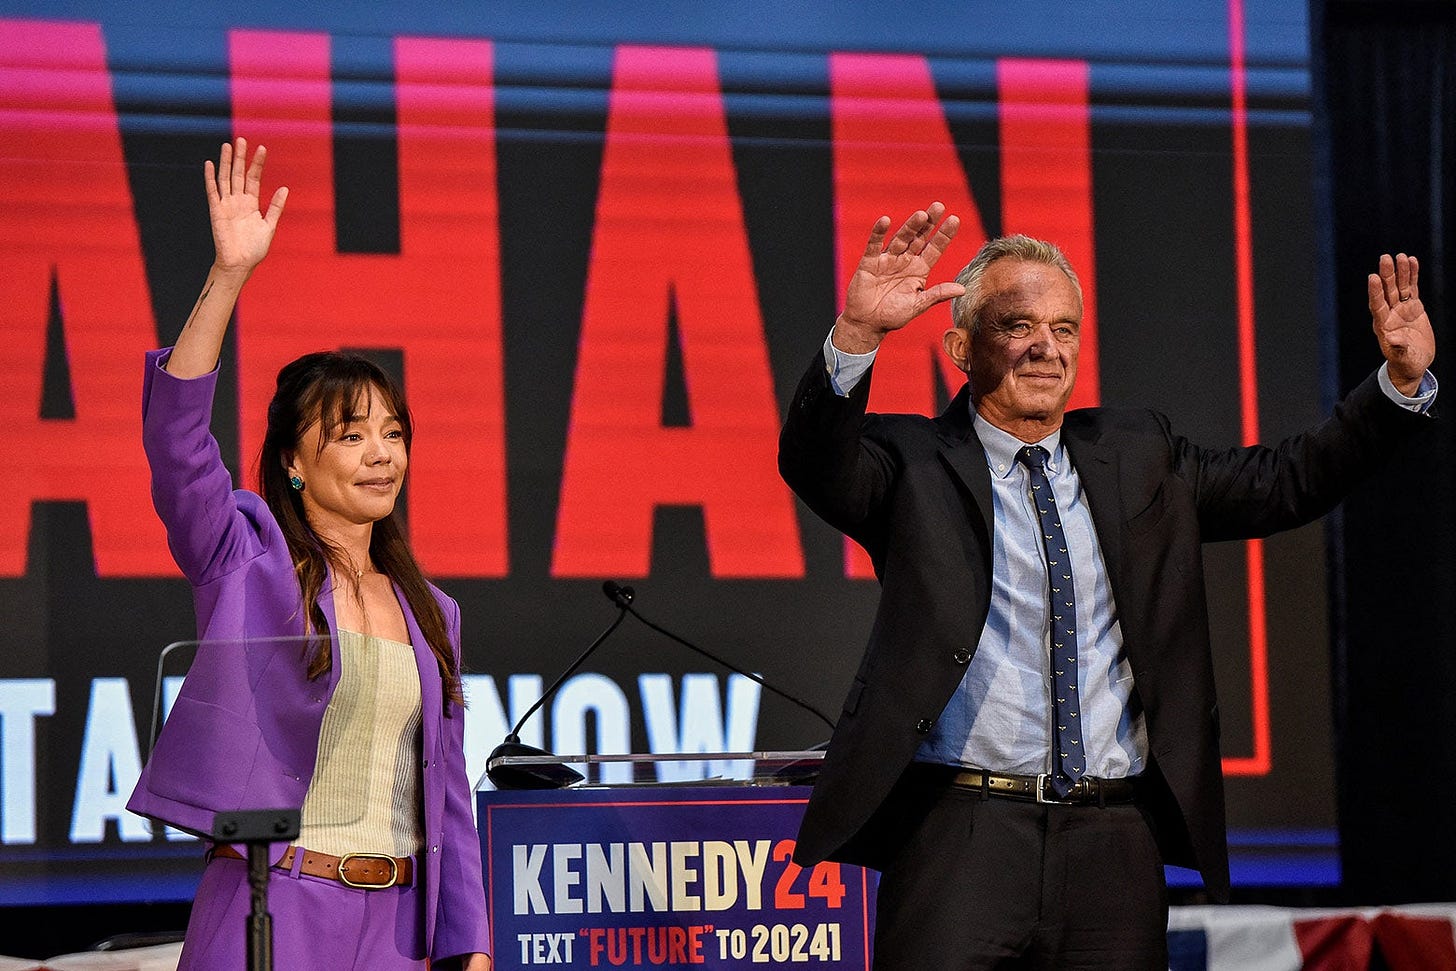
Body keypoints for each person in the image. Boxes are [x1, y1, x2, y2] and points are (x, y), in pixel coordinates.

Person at [777, 203, 1437, 970]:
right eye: (1017, 324)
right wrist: (856, 337)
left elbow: (1286, 480)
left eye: (1063, 329)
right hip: (960, 832)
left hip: (1114, 839)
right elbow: (816, 461)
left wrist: (1397, 383)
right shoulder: (913, 462)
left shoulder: (1138, 452)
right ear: (961, 345)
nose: (1044, 348)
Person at [126, 138, 491, 970]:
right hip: (273, 909)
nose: (381, 454)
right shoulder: (245, 561)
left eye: (393, 433)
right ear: (293, 460)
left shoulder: (434, 610)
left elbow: (448, 792)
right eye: (352, 434)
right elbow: (177, 443)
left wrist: (469, 942)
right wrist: (228, 278)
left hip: (399, 929)